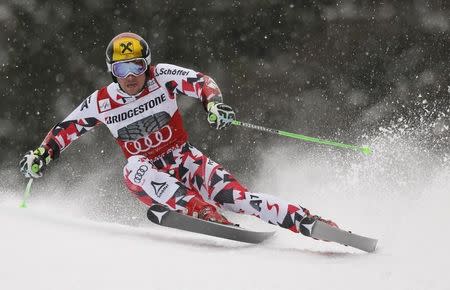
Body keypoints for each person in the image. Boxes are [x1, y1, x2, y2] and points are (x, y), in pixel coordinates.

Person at [19, 32, 336, 238]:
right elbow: (64, 131)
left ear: (147, 64)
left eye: (136, 67)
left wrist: (213, 105)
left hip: (184, 158)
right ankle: (197, 209)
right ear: (111, 71)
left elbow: (201, 82)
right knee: (133, 167)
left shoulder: (162, 76)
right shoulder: (101, 102)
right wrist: (40, 156)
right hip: (148, 173)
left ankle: (307, 221)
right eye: (120, 70)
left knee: (237, 198)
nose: (130, 77)